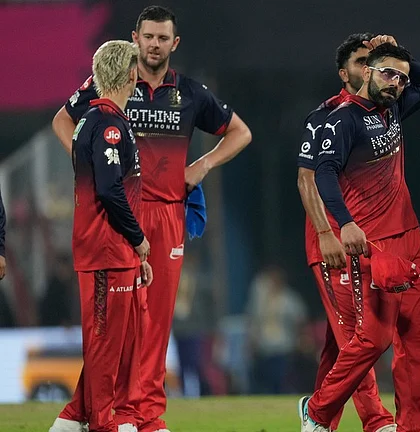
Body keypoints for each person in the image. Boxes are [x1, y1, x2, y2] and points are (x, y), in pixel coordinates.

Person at [51, 6, 252, 432]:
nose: (155, 44)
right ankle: (108, 412)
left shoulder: (192, 93)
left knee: (155, 322)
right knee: (118, 326)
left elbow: (241, 132)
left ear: (174, 43)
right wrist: (87, 163)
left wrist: (200, 167)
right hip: (120, 212)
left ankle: (143, 414)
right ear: (135, 38)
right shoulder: (114, 83)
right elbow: (61, 120)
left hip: (166, 214)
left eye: (163, 38)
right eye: (148, 37)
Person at [299, 37, 420, 432]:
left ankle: (410, 426)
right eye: (386, 72)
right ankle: (321, 411)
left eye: (401, 77)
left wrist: (400, 51)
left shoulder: (391, 108)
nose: (396, 82)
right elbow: (317, 174)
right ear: (362, 72)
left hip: (408, 236)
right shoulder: (338, 119)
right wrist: (338, 226)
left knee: (415, 342)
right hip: (368, 242)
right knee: (370, 339)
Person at [49, 40, 154, 432]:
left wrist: (135, 252)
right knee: (105, 347)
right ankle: (103, 423)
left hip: (114, 251)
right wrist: (139, 239)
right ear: (129, 74)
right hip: (106, 250)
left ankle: (73, 419)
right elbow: (110, 191)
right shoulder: (107, 125)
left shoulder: (94, 121)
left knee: (112, 345)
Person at [296, 32, 397, 432]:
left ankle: (318, 411)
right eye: (361, 61)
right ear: (344, 72)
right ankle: (377, 421)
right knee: (362, 334)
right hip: (334, 242)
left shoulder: (382, 113)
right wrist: (325, 232)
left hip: (368, 242)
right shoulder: (327, 115)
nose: (369, 68)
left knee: (342, 338)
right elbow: (307, 180)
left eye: (374, 61)